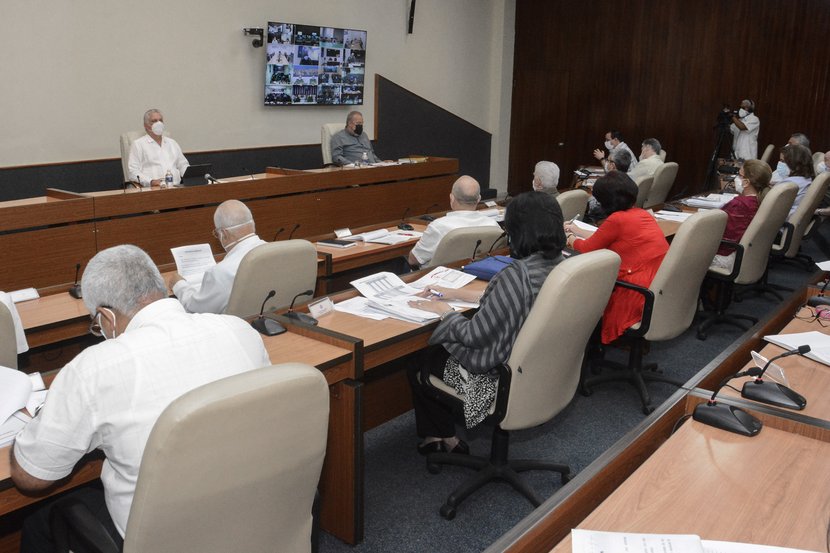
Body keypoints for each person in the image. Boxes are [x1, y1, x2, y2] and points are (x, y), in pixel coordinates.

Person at [11, 245, 271, 551]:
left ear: (106, 316)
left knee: (39, 521)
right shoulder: (239, 330)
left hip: (165, 539)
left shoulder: (94, 367)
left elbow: (31, 476)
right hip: (254, 515)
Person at [405, 191, 567, 454]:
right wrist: (457, 293)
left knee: (422, 358)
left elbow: (474, 336)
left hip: (494, 384)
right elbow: (514, 298)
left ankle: (442, 436)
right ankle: (441, 436)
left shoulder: (517, 275)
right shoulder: (559, 264)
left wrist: (445, 311)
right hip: (543, 374)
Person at [565, 171, 669, 344]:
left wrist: (569, 239)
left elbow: (587, 248)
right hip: (656, 280)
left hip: (635, 289)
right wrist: (575, 230)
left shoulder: (617, 219)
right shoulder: (640, 214)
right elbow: (604, 235)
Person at [170, 199, 266, 314]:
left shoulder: (221, 272)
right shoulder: (276, 251)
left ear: (224, 234)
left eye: (217, 233)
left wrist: (179, 285)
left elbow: (195, 308)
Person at [407, 175, 501, 268]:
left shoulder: (438, 227)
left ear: (451, 198)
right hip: (478, 277)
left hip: (438, 280)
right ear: (479, 199)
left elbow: (413, 260)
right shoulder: (493, 225)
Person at [711, 159, 772, 270]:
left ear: (747, 182)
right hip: (748, 255)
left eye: (739, 175)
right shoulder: (761, 200)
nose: (736, 179)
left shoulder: (740, 204)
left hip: (728, 256)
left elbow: (727, 238)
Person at [127, 109, 189, 187]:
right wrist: (151, 181)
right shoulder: (138, 144)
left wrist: (193, 177)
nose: (158, 123)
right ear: (146, 126)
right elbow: (133, 172)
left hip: (177, 187)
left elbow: (183, 165)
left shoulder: (172, 143)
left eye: (160, 120)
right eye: (154, 121)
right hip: (153, 189)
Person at [770, 144, 814, 217]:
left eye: (783, 161)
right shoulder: (806, 179)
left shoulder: (789, 184)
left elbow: (770, 207)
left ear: (796, 164)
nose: (780, 163)